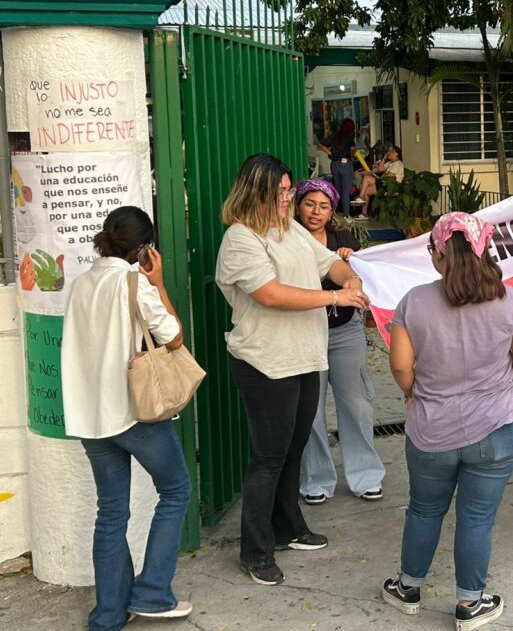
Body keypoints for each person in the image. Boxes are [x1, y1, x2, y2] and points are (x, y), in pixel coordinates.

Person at [215, 153, 369, 586]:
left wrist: (348, 279)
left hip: (305, 356)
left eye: (288, 189)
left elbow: (328, 263)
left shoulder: (290, 231)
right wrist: (335, 299)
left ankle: (288, 527)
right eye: (280, 191)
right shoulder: (241, 239)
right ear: (256, 191)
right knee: (268, 458)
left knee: (293, 448)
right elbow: (271, 294)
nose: (289, 197)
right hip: (265, 361)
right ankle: (255, 550)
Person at [381, 212, 513, 631]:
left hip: (431, 429)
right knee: (477, 518)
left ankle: (408, 587)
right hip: (498, 426)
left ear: (438, 255)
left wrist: (415, 392)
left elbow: (400, 367)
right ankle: (470, 604)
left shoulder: (413, 302)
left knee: (424, 509)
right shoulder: (511, 300)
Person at [62, 206, 193, 630]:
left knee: (111, 513)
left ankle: (108, 615)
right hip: (135, 413)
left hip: (90, 415)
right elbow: (173, 337)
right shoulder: (134, 282)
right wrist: (158, 282)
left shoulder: (82, 283)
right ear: (143, 248)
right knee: (175, 492)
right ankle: (153, 592)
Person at [293, 179, 386, 504]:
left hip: (345, 333)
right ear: (298, 205)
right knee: (311, 411)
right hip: (305, 331)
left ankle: (366, 476)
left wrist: (349, 262)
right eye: (309, 204)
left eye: (323, 206)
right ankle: (317, 479)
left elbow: (360, 279)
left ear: (332, 211)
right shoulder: (289, 238)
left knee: (356, 404)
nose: (315, 212)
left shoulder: (341, 238)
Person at [354, 144, 404, 218]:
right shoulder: (390, 163)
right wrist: (384, 158)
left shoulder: (398, 164)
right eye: (388, 151)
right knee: (366, 191)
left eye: (391, 152)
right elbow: (380, 169)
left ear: (396, 154)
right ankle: (364, 214)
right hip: (384, 184)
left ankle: (360, 197)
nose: (388, 153)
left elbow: (389, 176)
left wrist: (378, 178)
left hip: (390, 186)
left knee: (367, 178)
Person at [319, 120, 356, 217]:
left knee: (337, 191)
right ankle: (347, 215)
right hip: (346, 164)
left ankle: (333, 214)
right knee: (345, 192)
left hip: (335, 165)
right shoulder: (349, 137)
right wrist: (353, 155)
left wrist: (331, 153)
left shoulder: (334, 136)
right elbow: (352, 151)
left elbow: (321, 144)